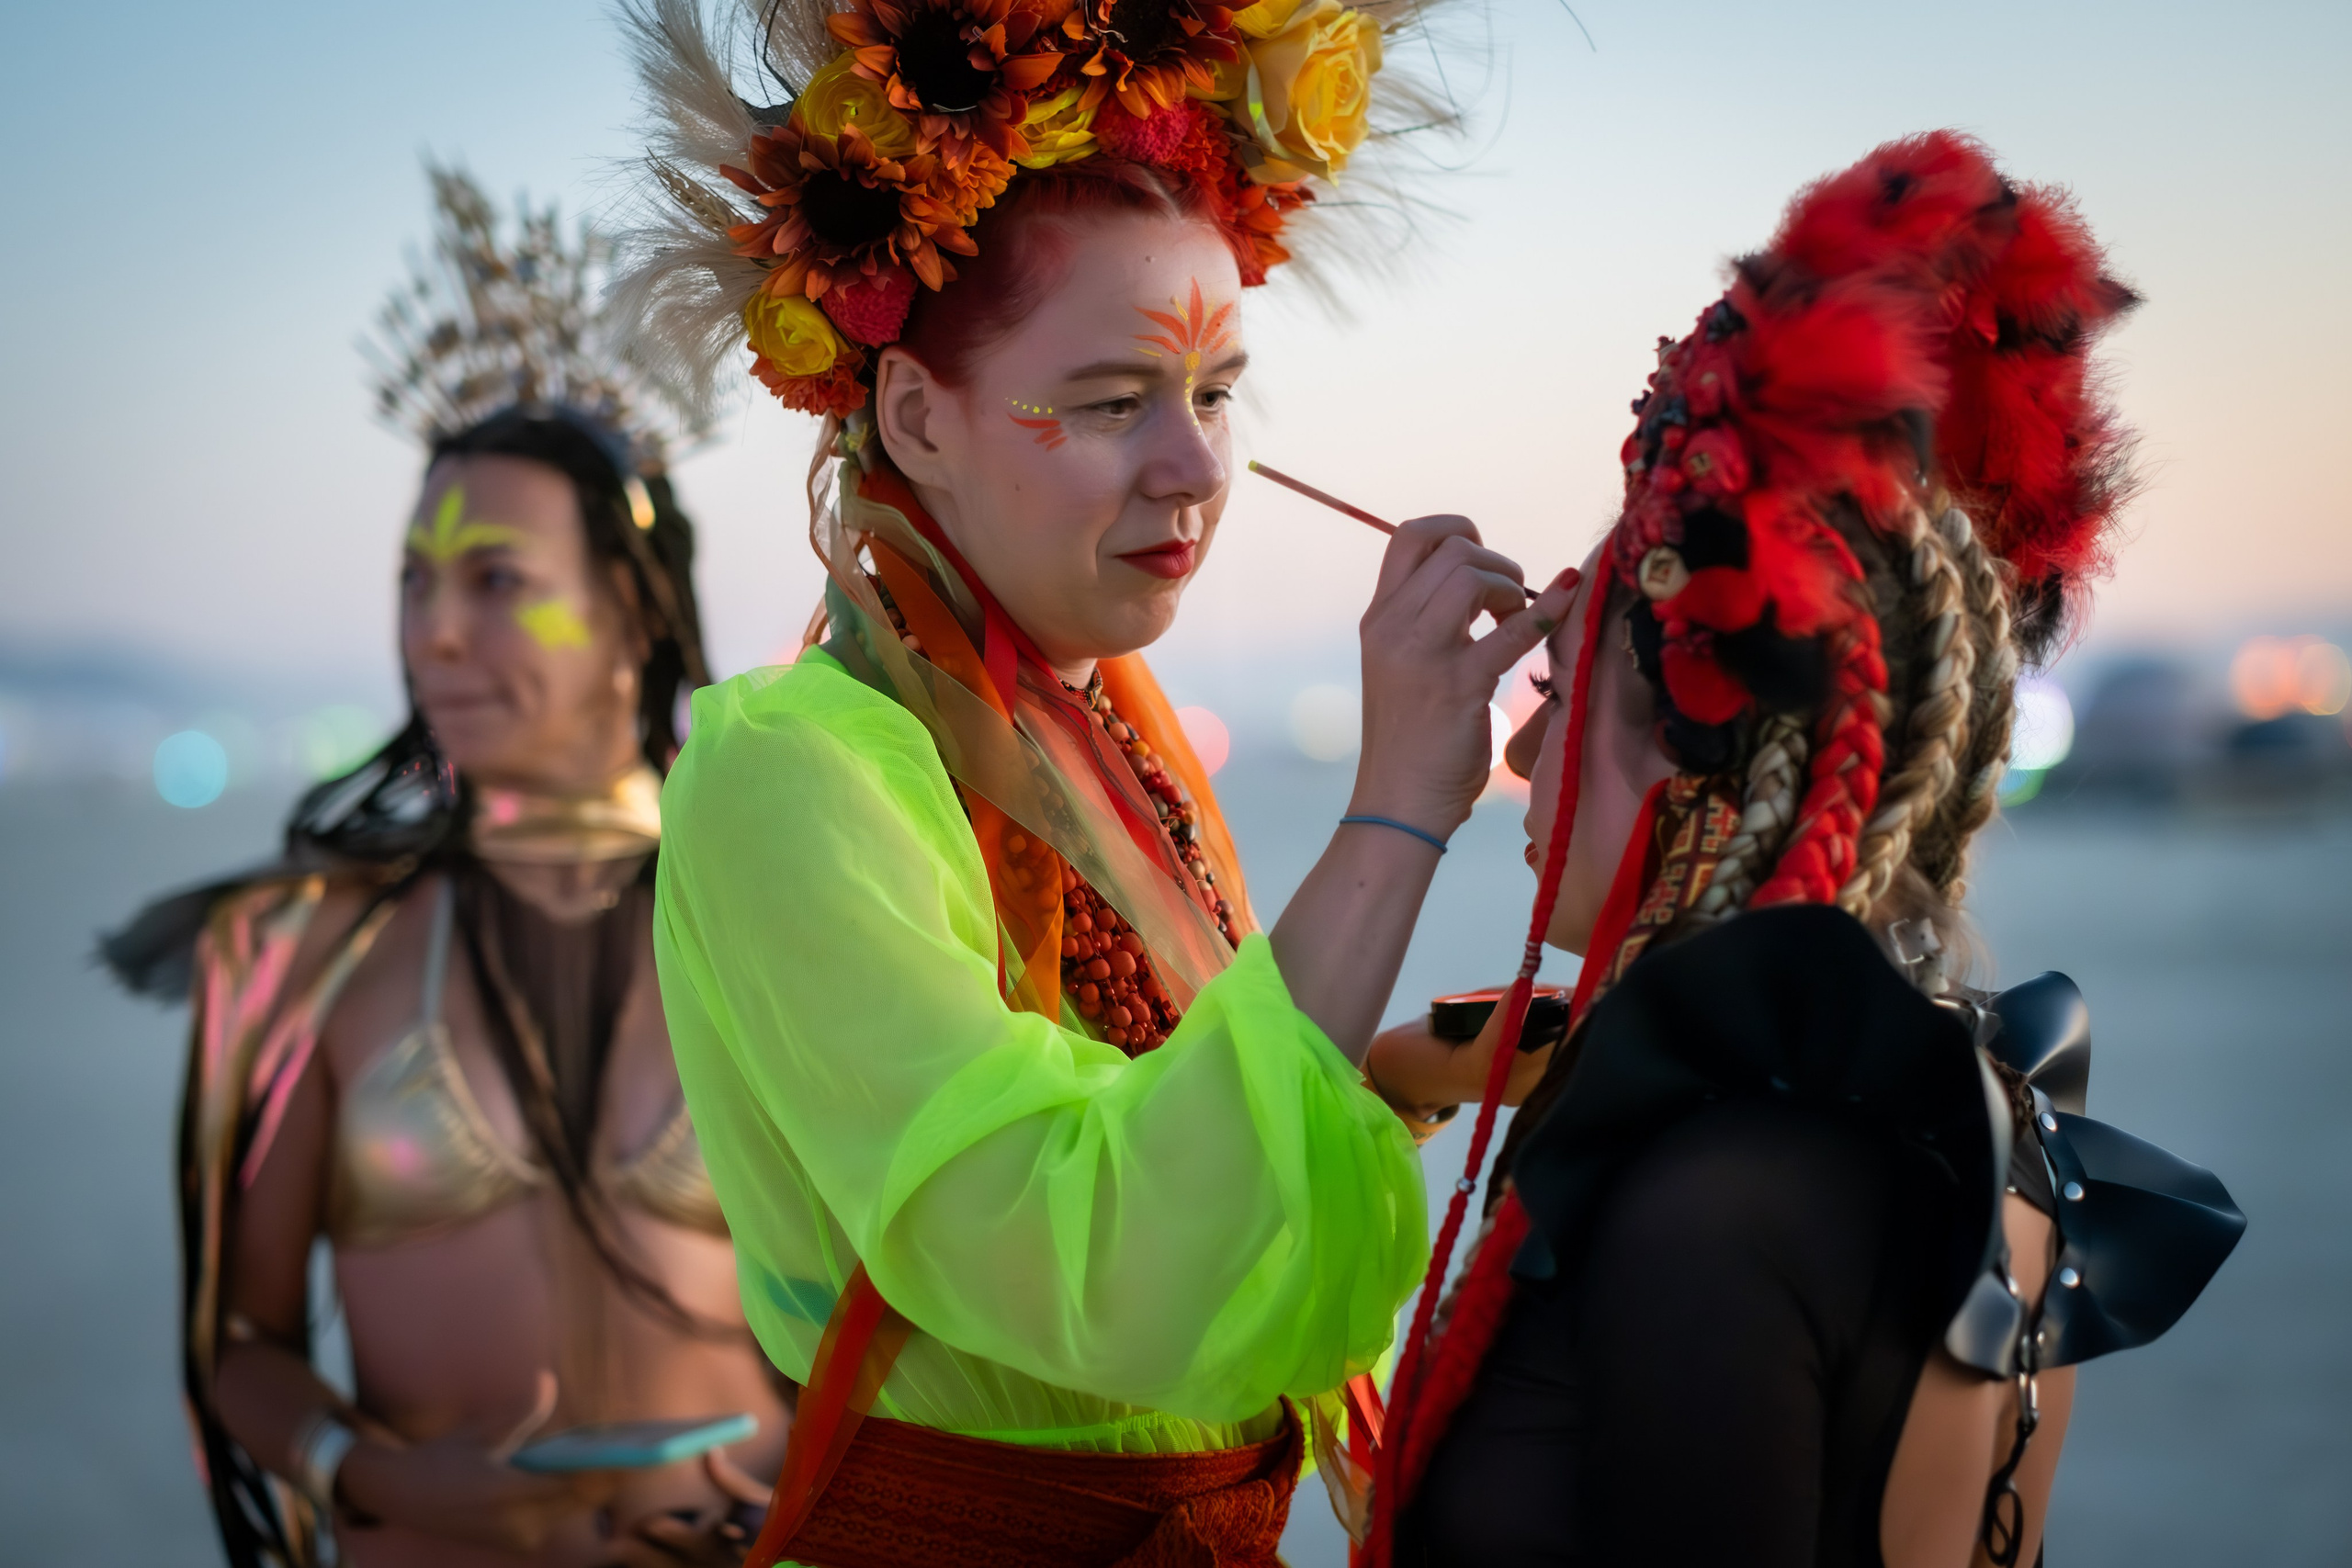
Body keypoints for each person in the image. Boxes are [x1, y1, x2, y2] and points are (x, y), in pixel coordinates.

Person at [610, 0, 1568, 1561]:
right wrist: (1398, 812)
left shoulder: (1114, 714)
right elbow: (1096, 1262)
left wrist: (1387, 1084)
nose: (1195, 468)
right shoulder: (788, 771)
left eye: (1213, 392)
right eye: (1117, 402)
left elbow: (1171, 1137)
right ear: (917, 416)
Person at [1363, 133, 2245, 1566]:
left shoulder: (1710, 1212)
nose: (1516, 761)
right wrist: (1399, 1072)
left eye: (1551, 696)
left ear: (1702, 748)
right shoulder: (1973, 1122)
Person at [103, 167, 789, 1568]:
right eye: (415, 581)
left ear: (627, 614)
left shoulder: (784, 919)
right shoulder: (306, 948)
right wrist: (374, 1475)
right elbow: (240, 1340)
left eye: (496, 580)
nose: (437, 634)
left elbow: (912, 1296)